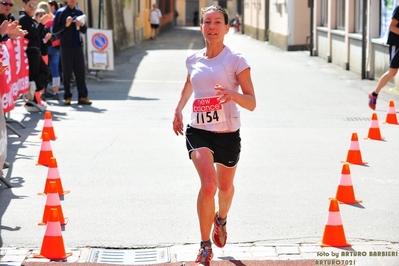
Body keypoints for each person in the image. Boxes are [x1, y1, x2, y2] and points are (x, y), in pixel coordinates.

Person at [172, 5, 256, 266]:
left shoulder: (236, 61)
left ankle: (221, 220)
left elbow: (252, 102)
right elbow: (190, 84)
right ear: (201, 27)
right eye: (207, 22)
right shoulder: (193, 59)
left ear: (227, 28)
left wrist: (232, 95)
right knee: (208, 184)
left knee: (225, 188)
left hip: (228, 133)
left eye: (218, 22)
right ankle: (205, 245)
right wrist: (178, 109)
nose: (212, 26)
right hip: (199, 131)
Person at [52, 0, 92, 105]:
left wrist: (81, 25)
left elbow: (84, 30)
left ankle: (83, 96)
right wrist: (66, 25)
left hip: (78, 45)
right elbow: (54, 30)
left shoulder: (79, 12)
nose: (72, 0)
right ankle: (67, 96)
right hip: (66, 47)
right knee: (67, 72)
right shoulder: (60, 13)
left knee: (80, 72)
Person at [19, 0, 52, 112]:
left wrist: (41, 25)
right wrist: (41, 23)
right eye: (30, 5)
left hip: (36, 50)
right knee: (34, 75)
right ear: (24, 4)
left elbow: (38, 34)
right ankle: (30, 103)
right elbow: (32, 34)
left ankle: (31, 91)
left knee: (44, 72)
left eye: (34, 5)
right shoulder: (23, 19)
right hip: (30, 51)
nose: (33, 7)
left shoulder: (32, 19)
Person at [369, 5, 399, 110]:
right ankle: (374, 94)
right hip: (397, 44)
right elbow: (391, 27)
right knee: (392, 72)